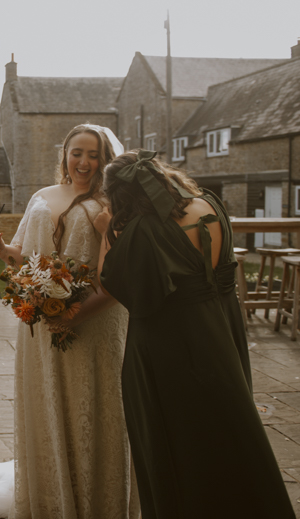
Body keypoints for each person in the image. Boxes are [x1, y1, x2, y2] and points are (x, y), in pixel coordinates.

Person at [100, 150, 295, 518]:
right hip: (222, 327)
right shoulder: (210, 204)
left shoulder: (145, 230)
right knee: (229, 426)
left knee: (180, 441)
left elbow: (121, 287)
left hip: (172, 343)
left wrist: (105, 233)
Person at [0, 124, 140, 518]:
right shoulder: (41, 195)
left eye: (93, 155)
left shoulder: (113, 202)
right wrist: (0, 248)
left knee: (97, 406)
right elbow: (23, 255)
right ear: (64, 155)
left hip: (96, 321)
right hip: (42, 321)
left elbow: (121, 271)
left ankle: (100, 503)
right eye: (76, 153)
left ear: (106, 159)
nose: (84, 162)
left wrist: (74, 313)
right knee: (48, 404)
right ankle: (53, 500)